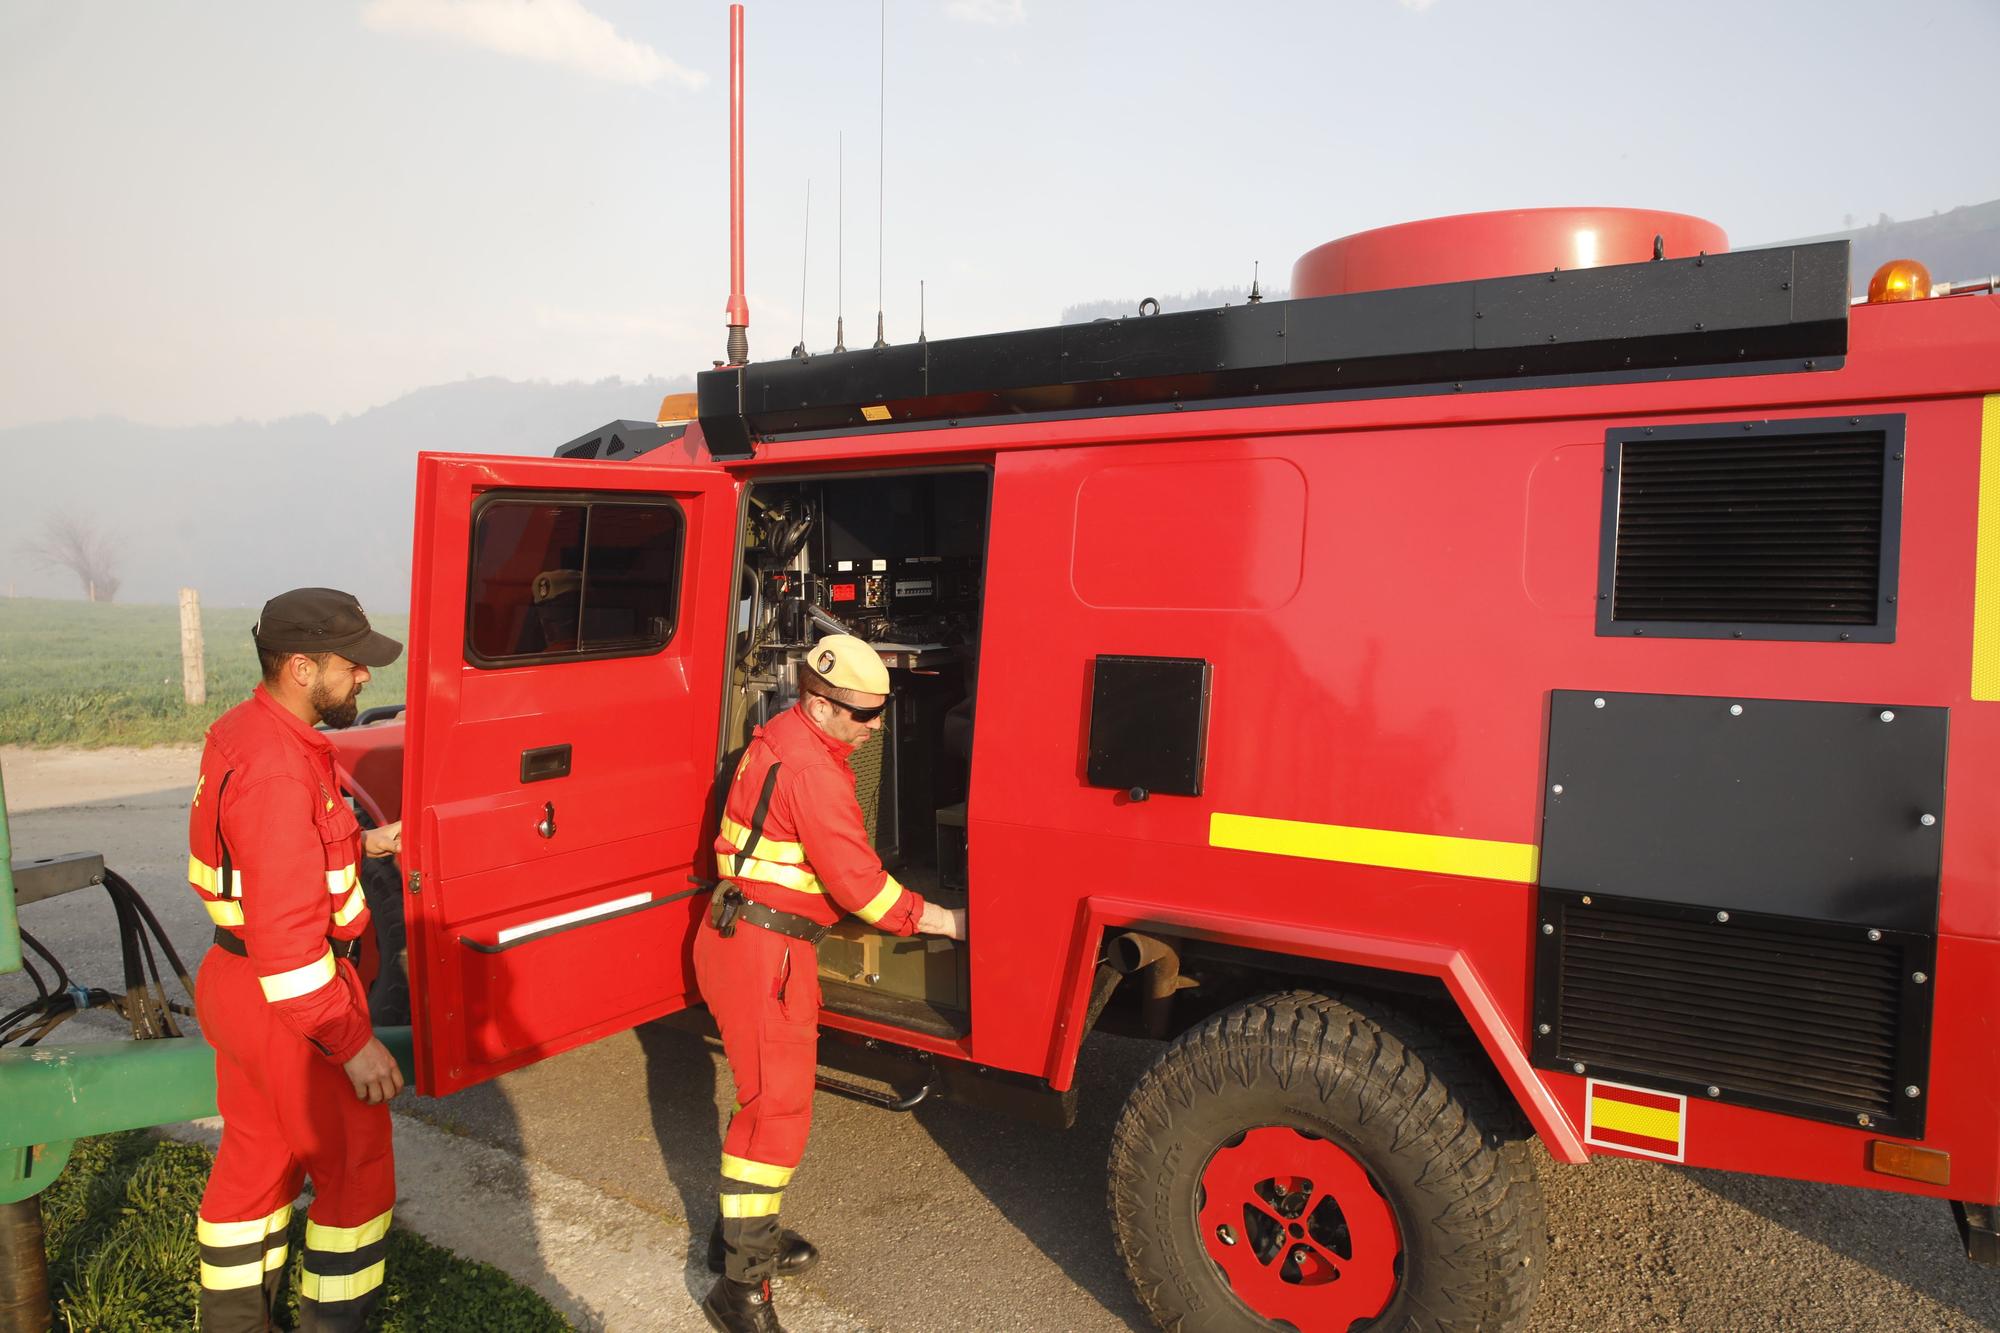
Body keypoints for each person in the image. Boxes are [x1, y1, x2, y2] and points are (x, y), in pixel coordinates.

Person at [695, 634, 968, 1332]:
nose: (874, 728)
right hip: (766, 953)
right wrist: (948, 920)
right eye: (860, 715)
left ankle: (738, 1239)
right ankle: (741, 1290)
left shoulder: (783, 733)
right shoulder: (812, 770)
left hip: (756, 941)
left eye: (880, 712)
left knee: (768, 1105)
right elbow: (864, 890)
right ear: (819, 702)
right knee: (772, 1118)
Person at [186, 587, 407, 1332]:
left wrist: (361, 841)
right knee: (355, 1175)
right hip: (296, 997)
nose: (366, 678)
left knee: (257, 1159)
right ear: (302, 667)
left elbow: (268, 857)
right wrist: (351, 1040)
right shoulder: (282, 769)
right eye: (354, 665)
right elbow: (288, 939)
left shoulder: (247, 732)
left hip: (239, 984)